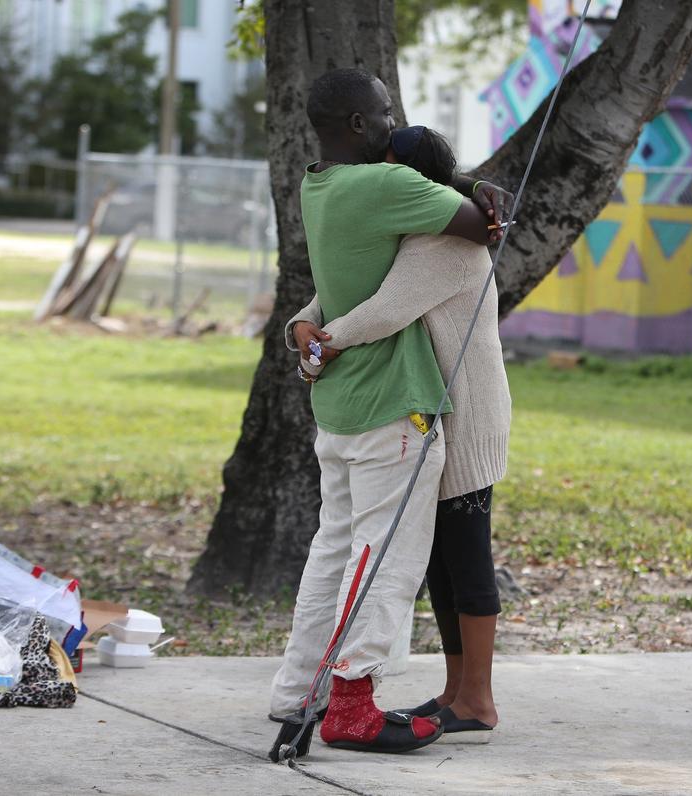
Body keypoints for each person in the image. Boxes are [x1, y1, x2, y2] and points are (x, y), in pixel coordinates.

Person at [267, 68, 511, 760]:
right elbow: (480, 226)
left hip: (393, 410)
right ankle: (349, 700)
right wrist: (477, 197)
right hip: (390, 409)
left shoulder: (320, 187)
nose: (385, 124)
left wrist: (307, 335)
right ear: (356, 124)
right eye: (379, 113)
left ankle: (304, 692)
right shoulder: (387, 190)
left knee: (351, 553)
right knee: (384, 562)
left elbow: (354, 293)